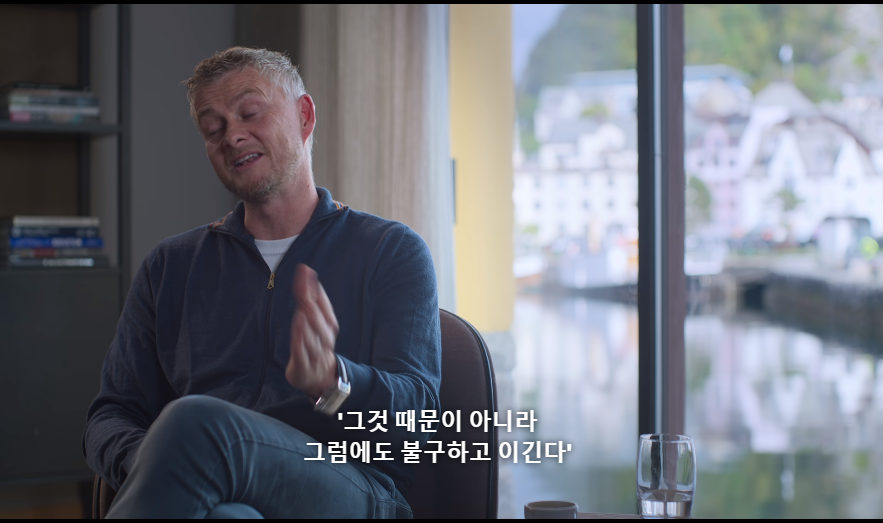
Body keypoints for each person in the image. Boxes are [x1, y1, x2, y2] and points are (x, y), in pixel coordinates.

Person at [83, 47, 442, 519]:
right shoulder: (169, 267)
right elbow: (110, 417)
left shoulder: (391, 251)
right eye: (213, 129)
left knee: (196, 423)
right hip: (212, 492)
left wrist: (333, 383)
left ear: (305, 116)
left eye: (250, 113)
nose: (232, 136)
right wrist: (167, 463)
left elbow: (420, 421)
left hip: (353, 488)